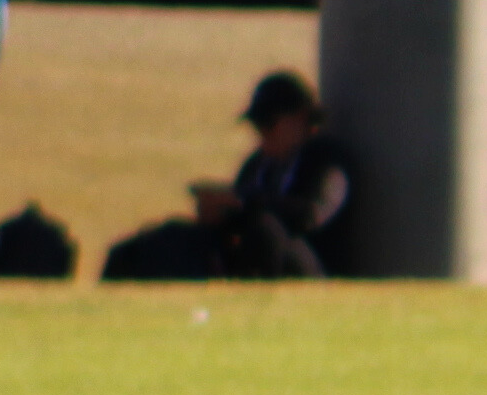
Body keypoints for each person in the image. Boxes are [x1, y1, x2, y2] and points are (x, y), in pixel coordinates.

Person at [120, 70, 353, 281]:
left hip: (300, 265)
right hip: (250, 258)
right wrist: (218, 211)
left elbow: (311, 214)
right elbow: (240, 207)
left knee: (264, 229)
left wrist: (242, 202)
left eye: (268, 124)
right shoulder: (257, 165)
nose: (261, 134)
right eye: (256, 125)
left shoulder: (325, 160)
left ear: (300, 119)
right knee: (168, 238)